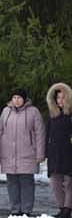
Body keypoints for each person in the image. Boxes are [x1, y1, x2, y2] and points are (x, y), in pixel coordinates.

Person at [0, 88, 46, 217]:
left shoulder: (33, 112)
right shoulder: (5, 112)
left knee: (26, 183)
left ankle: (26, 210)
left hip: (27, 154)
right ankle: (15, 210)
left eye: (19, 98)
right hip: (9, 154)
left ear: (24, 99)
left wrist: (40, 153)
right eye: (14, 98)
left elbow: (40, 133)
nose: (16, 100)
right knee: (12, 183)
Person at [46, 83, 72, 218]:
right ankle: (61, 207)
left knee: (69, 183)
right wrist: (45, 152)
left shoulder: (70, 116)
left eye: (63, 97)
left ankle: (68, 208)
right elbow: (47, 135)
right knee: (55, 182)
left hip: (68, 154)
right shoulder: (52, 116)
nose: (60, 101)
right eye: (58, 98)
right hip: (54, 154)